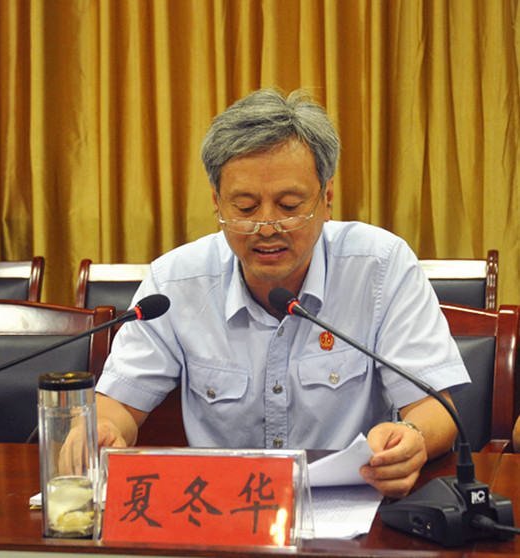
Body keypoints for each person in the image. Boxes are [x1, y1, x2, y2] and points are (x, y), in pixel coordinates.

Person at [94, 88, 470, 499]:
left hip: (351, 504)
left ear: (327, 199)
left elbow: (435, 408)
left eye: (289, 206)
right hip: (223, 510)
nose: (267, 227)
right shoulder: (176, 282)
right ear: (217, 203)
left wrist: (412, 437)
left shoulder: (380, 267)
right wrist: (102, 429)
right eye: (245, 207)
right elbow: (119, 406)